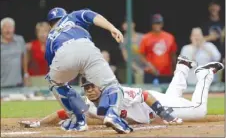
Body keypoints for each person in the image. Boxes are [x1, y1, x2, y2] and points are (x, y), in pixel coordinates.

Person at [19, 56, 224, 128]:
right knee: (175, 98)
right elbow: (63, 113)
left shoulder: (116, 93)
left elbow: (145, 95)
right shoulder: (89, 105)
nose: (89, 90)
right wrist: (39, 123)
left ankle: (204, 73)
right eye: (87, 87)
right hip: (151, 110)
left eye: (92, 86)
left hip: (155, 105)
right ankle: (182, 67)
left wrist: (165, 115)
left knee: (199, 110)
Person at [44, 7, 133, 133]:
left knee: (56, 83)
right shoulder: (72, 16)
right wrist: (111, 28)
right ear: (64, 15)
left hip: (62, 52)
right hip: (86, 47)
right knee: (111, 85)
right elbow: (92, 15)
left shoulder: (50, 37)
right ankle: (113, 114)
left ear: (50, 24)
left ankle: (78, 120)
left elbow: (51, 65)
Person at [139, 14, 177, 84]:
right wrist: (149, 65)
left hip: (167, 73)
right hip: (150, 73)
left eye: (159, 23)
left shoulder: (169, 37)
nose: (157, 25)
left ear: (162, 24)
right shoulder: (146, 38)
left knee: (166, 93)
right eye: (155, 23)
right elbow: (141, 55)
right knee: (150, 93)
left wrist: (175, 70)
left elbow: (173, 55)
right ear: (152, 25)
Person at [1, 17, 29, 88]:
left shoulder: (20, 40)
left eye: (10, 27)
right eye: (5, 28)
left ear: (14, 29)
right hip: (2, 84)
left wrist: (25, 73)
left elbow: (24, 57)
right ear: (1, 29)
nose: (8, 30)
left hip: (18, 83)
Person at [26, 22, 50, 86]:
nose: (43, 34)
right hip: (34, 79)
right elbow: (26, 64)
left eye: (45, 31)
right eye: (40, 32)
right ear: (37, 33)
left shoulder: (53, 46)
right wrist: (26, 76)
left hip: (50, 80)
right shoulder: (30, 46)